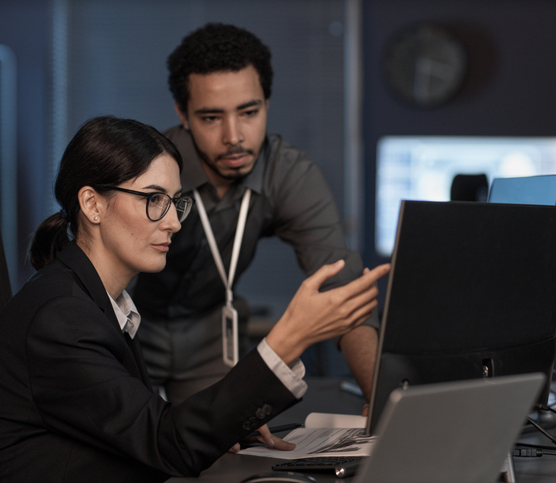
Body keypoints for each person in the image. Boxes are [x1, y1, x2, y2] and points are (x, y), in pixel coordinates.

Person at [0, 116, 389, 482]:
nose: (173, 221)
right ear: (92, 204)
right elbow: (166, 443)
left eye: (175, 202)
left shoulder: (99, 303)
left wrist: (225, 425)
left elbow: (141, 429)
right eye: (154, 199)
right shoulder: (61, 317)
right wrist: (291, 337)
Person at [132, 23, 380, 406]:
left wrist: (382, 402)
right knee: (127, 437)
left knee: (232, 436)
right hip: (130, 325)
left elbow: (342, 290)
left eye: (249, 112)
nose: (234, 136)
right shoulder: (147, 168)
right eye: (211, 118)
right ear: (183, 113)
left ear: (267, 102)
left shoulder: (289, 173)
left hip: (212, 332)